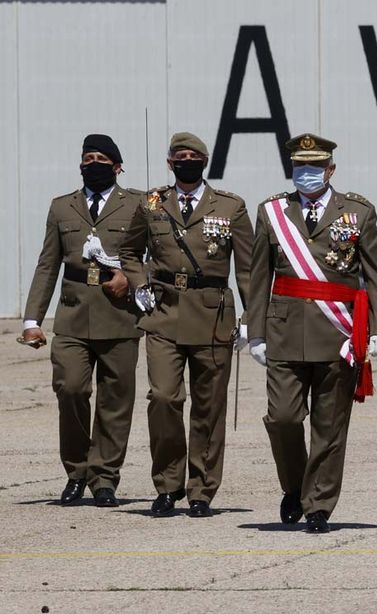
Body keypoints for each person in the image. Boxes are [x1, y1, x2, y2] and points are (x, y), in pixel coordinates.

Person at [247, 132, 377, 534]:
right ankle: (294, 487)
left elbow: (376, 277)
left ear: (330, 169)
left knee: (330, 427)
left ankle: (318, 505)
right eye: (300, 167)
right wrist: (253, 330)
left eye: (314, 167)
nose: (306, 174)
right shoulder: (272, 211)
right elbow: (258, 276)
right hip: (283, 331)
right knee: (282, 419)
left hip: (338, 334)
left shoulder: (358, 213)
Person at [119, 132, 253, 518]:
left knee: (209, 406)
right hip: (164, 311)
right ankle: (167, 484)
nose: (187, 161)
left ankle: (201, 490)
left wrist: (250, 318)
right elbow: (129, 250)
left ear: (205, 162)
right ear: (169, 162)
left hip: (212, 315)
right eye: (180, 156)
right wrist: (139, 283)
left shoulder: (230, 207)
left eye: (194, 156)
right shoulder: (151, 203)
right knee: (163, 397)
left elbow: (246, 268)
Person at [20, 134, 143, 508]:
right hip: (73, 316)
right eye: (87, 157)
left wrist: (134, 280)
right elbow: (47, 266)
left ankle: (104, 477)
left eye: (101, 158)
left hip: (120, 316)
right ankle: (76, 471)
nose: (93, 163)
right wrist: (31, 319)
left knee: (115, 401)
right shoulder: (62, 207)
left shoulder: (137, 204)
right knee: (71, 389)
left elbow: (158, 255)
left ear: (117, 166)